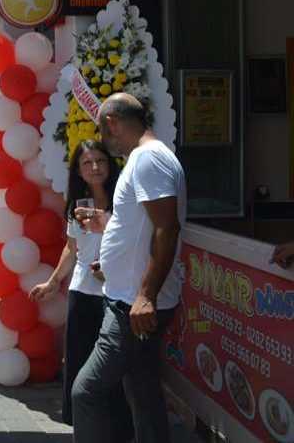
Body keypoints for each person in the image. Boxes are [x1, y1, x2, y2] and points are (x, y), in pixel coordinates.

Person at [71, 93, 186, 443]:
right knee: (143, 392)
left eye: (103, 135)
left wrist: (146, 294)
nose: (106, 143)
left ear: (111, 124)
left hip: (132, 308)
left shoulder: (149, 159)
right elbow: (141, 226)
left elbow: (167, 228)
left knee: (86, 392)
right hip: (128, 299)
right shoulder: (146, 158)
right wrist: (110, 249)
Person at [29, 140, 133, 438]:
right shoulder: (77, 204)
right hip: (81, 291)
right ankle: (85, 428)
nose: (95, 168)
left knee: (112, 368)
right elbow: (72, 248)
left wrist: (112, 267)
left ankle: (118, 426)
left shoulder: (123, 200)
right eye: (87, 163)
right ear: (78, 170)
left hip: (116, 293)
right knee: (77, 359)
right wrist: (53, 282)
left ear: (110, 164)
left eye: (100, 161)